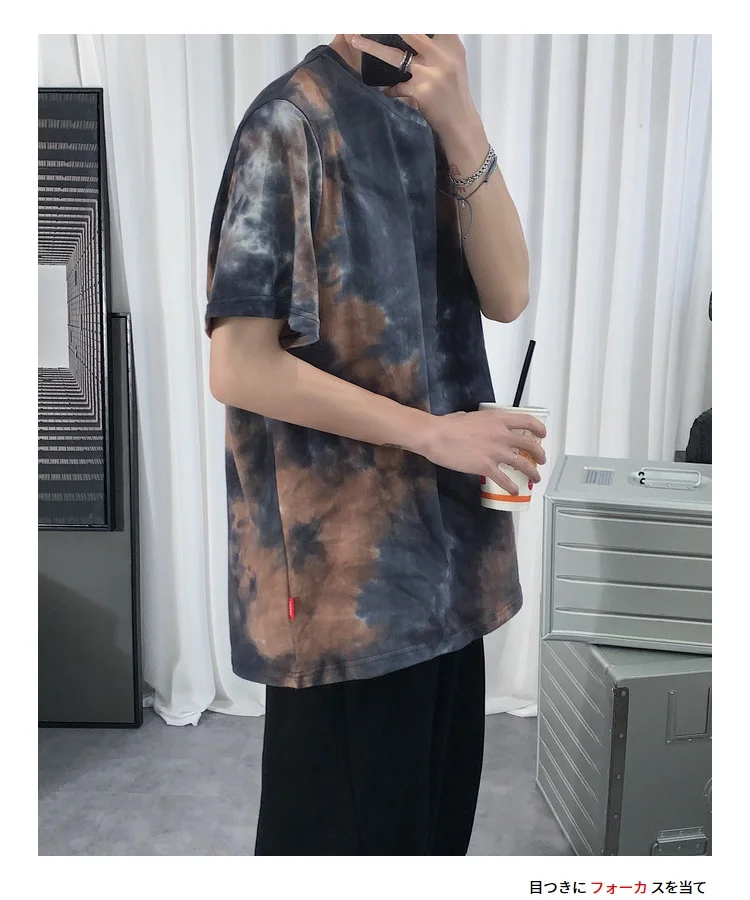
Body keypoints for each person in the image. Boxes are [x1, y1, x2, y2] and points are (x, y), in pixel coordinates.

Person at [205, 34, 547, 856]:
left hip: (449, 574)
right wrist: (434, 435)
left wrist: (462, 122)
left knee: (431, 842)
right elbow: (238, 366)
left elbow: (509, 293)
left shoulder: (429, 118)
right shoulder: (289, 123)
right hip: (345, 593)